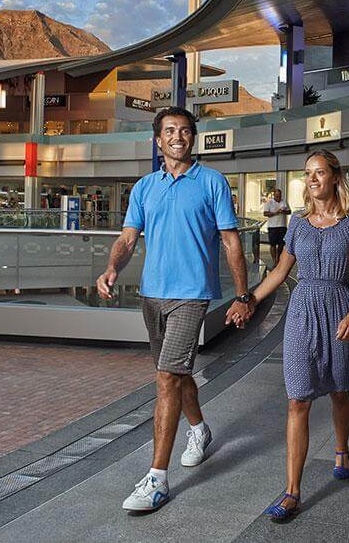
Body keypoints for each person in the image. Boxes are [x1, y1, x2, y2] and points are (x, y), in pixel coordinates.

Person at [96, 106, 255, 513]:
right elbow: (128, 237)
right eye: (169, 131)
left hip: (192, 294)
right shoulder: (145, 187)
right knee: (175, 374)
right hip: (152, 295)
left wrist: (243, 295)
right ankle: (199, 429)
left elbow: (231, 241)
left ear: (193, 138)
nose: (178, 137)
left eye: (185, 131)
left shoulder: (212, 182)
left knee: (167, 377)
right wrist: (113, 267)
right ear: (158, 140)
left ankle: (157, 479)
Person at [231, 150, 349, 522]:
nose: (312, 179)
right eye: (308, 173)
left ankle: (341, 449)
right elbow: (279, 272)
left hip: (339, 307)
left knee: (339, 389)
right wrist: (248, 299)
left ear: (335, 178)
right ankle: (292, 491)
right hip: (302, 311)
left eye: (319, 172)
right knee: (298, 399)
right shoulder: (297, 222)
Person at [262, 188, 291, 265]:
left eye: (279, 196)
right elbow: (265, 213)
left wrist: (283, 211)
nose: (278, 197)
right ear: (274, 195)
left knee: (281, 244)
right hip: (272, 226)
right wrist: (276, 212)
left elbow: (289, 211)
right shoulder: (269, 202)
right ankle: (274, 259)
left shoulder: (284, 202)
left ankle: (278, 257)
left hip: (282, 226)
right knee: (273, 244)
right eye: (277, 196)